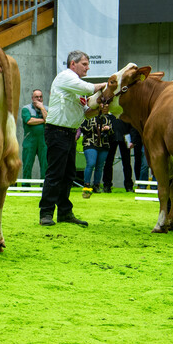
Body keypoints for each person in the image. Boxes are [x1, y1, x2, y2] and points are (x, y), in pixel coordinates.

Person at [38, 50, 107, 227]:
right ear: (72, 64)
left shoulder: (74, 87)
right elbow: (89, 88)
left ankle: (64, 212)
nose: (88, 67)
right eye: (84, 64)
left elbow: (84, 113)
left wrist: (100, 109)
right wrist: (109, 84)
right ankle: (46, 213)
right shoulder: (66, 77)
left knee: (67, 174)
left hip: (68, 133)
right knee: (55, 174)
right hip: (57, 131)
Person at [79, 105, 112, 198]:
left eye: (106, 107)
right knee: (91, 163)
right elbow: (83, 127)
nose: (105, 108)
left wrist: (107, 129)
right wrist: (97, 129)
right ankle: (86, 185)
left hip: (103, 144)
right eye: (103, 107)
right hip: (90, 143)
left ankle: (96, 185)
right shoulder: (88, 116)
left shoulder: (107, 118)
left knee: (100, 166)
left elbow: (112, 131)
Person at [20, 89, 48, 179]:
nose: (39, 99)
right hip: (30, 140)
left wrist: (42, 108)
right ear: (32, 98)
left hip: (44, 141)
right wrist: (43, 120)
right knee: (27, 164)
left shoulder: (47, 109)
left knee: (45, 164)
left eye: (40, 97)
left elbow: (49, 121)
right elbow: (29, 121)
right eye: (36, 97)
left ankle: (44, 187)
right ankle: (25, 187)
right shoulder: (26, 109)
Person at [103, 114, 134, 193]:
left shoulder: (125, 112)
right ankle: (107, 185)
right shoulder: (110, 112)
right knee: (108, 162)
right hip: (111, 138)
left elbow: (131, 126)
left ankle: (129, 185)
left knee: (126, 163)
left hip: (124, 138)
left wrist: (132, 140)